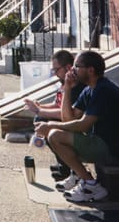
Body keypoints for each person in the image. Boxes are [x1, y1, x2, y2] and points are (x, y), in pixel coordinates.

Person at [35, 50, 119, 203]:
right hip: (101, 142)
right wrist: (67, 88)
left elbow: (82, 125)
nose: (72, 70)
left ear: (90, 70)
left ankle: (91, 185)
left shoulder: (103, 90)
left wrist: (49, 125)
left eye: (76, 66)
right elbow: (68, 118)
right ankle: (80, 177)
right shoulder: (90, 89)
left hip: (115, 150)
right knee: (56, 132)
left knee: (55, 135)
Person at [23, 49, 83, 181]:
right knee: (41, 119)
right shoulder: (65, 82)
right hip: (70, 121)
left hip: (77, 126)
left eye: (56, 70)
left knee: (45, 124)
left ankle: (67, 167)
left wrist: (39, 110)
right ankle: (63, 164)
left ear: (67, 67)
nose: (55, 74)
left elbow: (66, 114)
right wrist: (39, 106)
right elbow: (57, 104)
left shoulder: (75, 86)